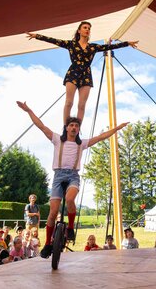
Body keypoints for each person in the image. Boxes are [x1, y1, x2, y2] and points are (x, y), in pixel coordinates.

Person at [17, 100, 129, 258]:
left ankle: (70, 228)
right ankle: (48, 243)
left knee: (69, 199)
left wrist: (117, 128)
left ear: (78, 129)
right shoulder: (57, 139)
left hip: (73, 176)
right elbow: (41, 125)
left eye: (77, 126)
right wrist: (28, 109)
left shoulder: (82, 143)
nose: (74, 127)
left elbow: (101, 137)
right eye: (71, 125)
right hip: (58, 176)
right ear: (67, 127)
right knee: (52, 212)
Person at [26, 22, 138, 142]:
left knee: (82, 105)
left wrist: (127, 43)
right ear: (79, 31)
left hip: (86, 75)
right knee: (69, 102)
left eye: (89, 28)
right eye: (85, 28)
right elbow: (54, 41)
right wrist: (37, 36)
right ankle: (66, 129)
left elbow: (109, 47)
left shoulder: (93, 47)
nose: (87, 30)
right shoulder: (71, 44)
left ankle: (77, 131)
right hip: (73, 73)